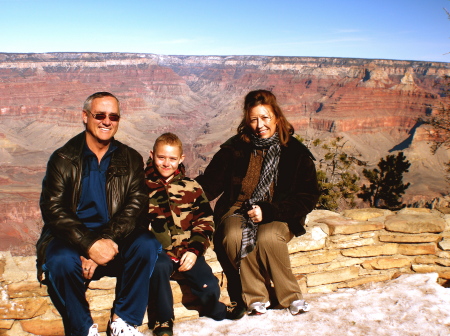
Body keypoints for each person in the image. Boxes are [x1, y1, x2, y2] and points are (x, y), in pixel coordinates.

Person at [36, 92, 162, 336]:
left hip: (115, 237)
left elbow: (136, 207)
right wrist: (88, 244)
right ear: (85, 117)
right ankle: (83, 329)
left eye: (113, 116)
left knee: (147, 245)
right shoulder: (63, 159)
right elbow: (53, 210)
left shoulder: (130, 158)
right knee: (59, 262)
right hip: (71, 238)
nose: (107, 121)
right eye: (100, 115)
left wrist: (105, 242)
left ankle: (123, 321)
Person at [196, 89, 320, 316]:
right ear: (246, 120)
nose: (259, 125)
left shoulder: (295, 154)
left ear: (277, 118)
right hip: (237, 208)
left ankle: (290, 297)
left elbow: (308, 196)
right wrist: (177, 190)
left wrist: (269, 210)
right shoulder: (234, 149)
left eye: (265, 118)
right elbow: (210, 183)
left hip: (278, 212)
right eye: (253, 119)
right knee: (233, 236)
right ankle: (255, 297)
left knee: (269, 237)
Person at [145, 133, 245, 336]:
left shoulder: (192, 187)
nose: (166, 163)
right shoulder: (141, 187)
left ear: (181, 159)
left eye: (172, 159)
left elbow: (205, 222)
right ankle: (163, 321)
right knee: (159, 267)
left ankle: (214, 308)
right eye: (161, 157)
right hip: (158, 252)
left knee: (208, 284)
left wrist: (194, 249)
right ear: (152, 155)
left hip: (187, 250)